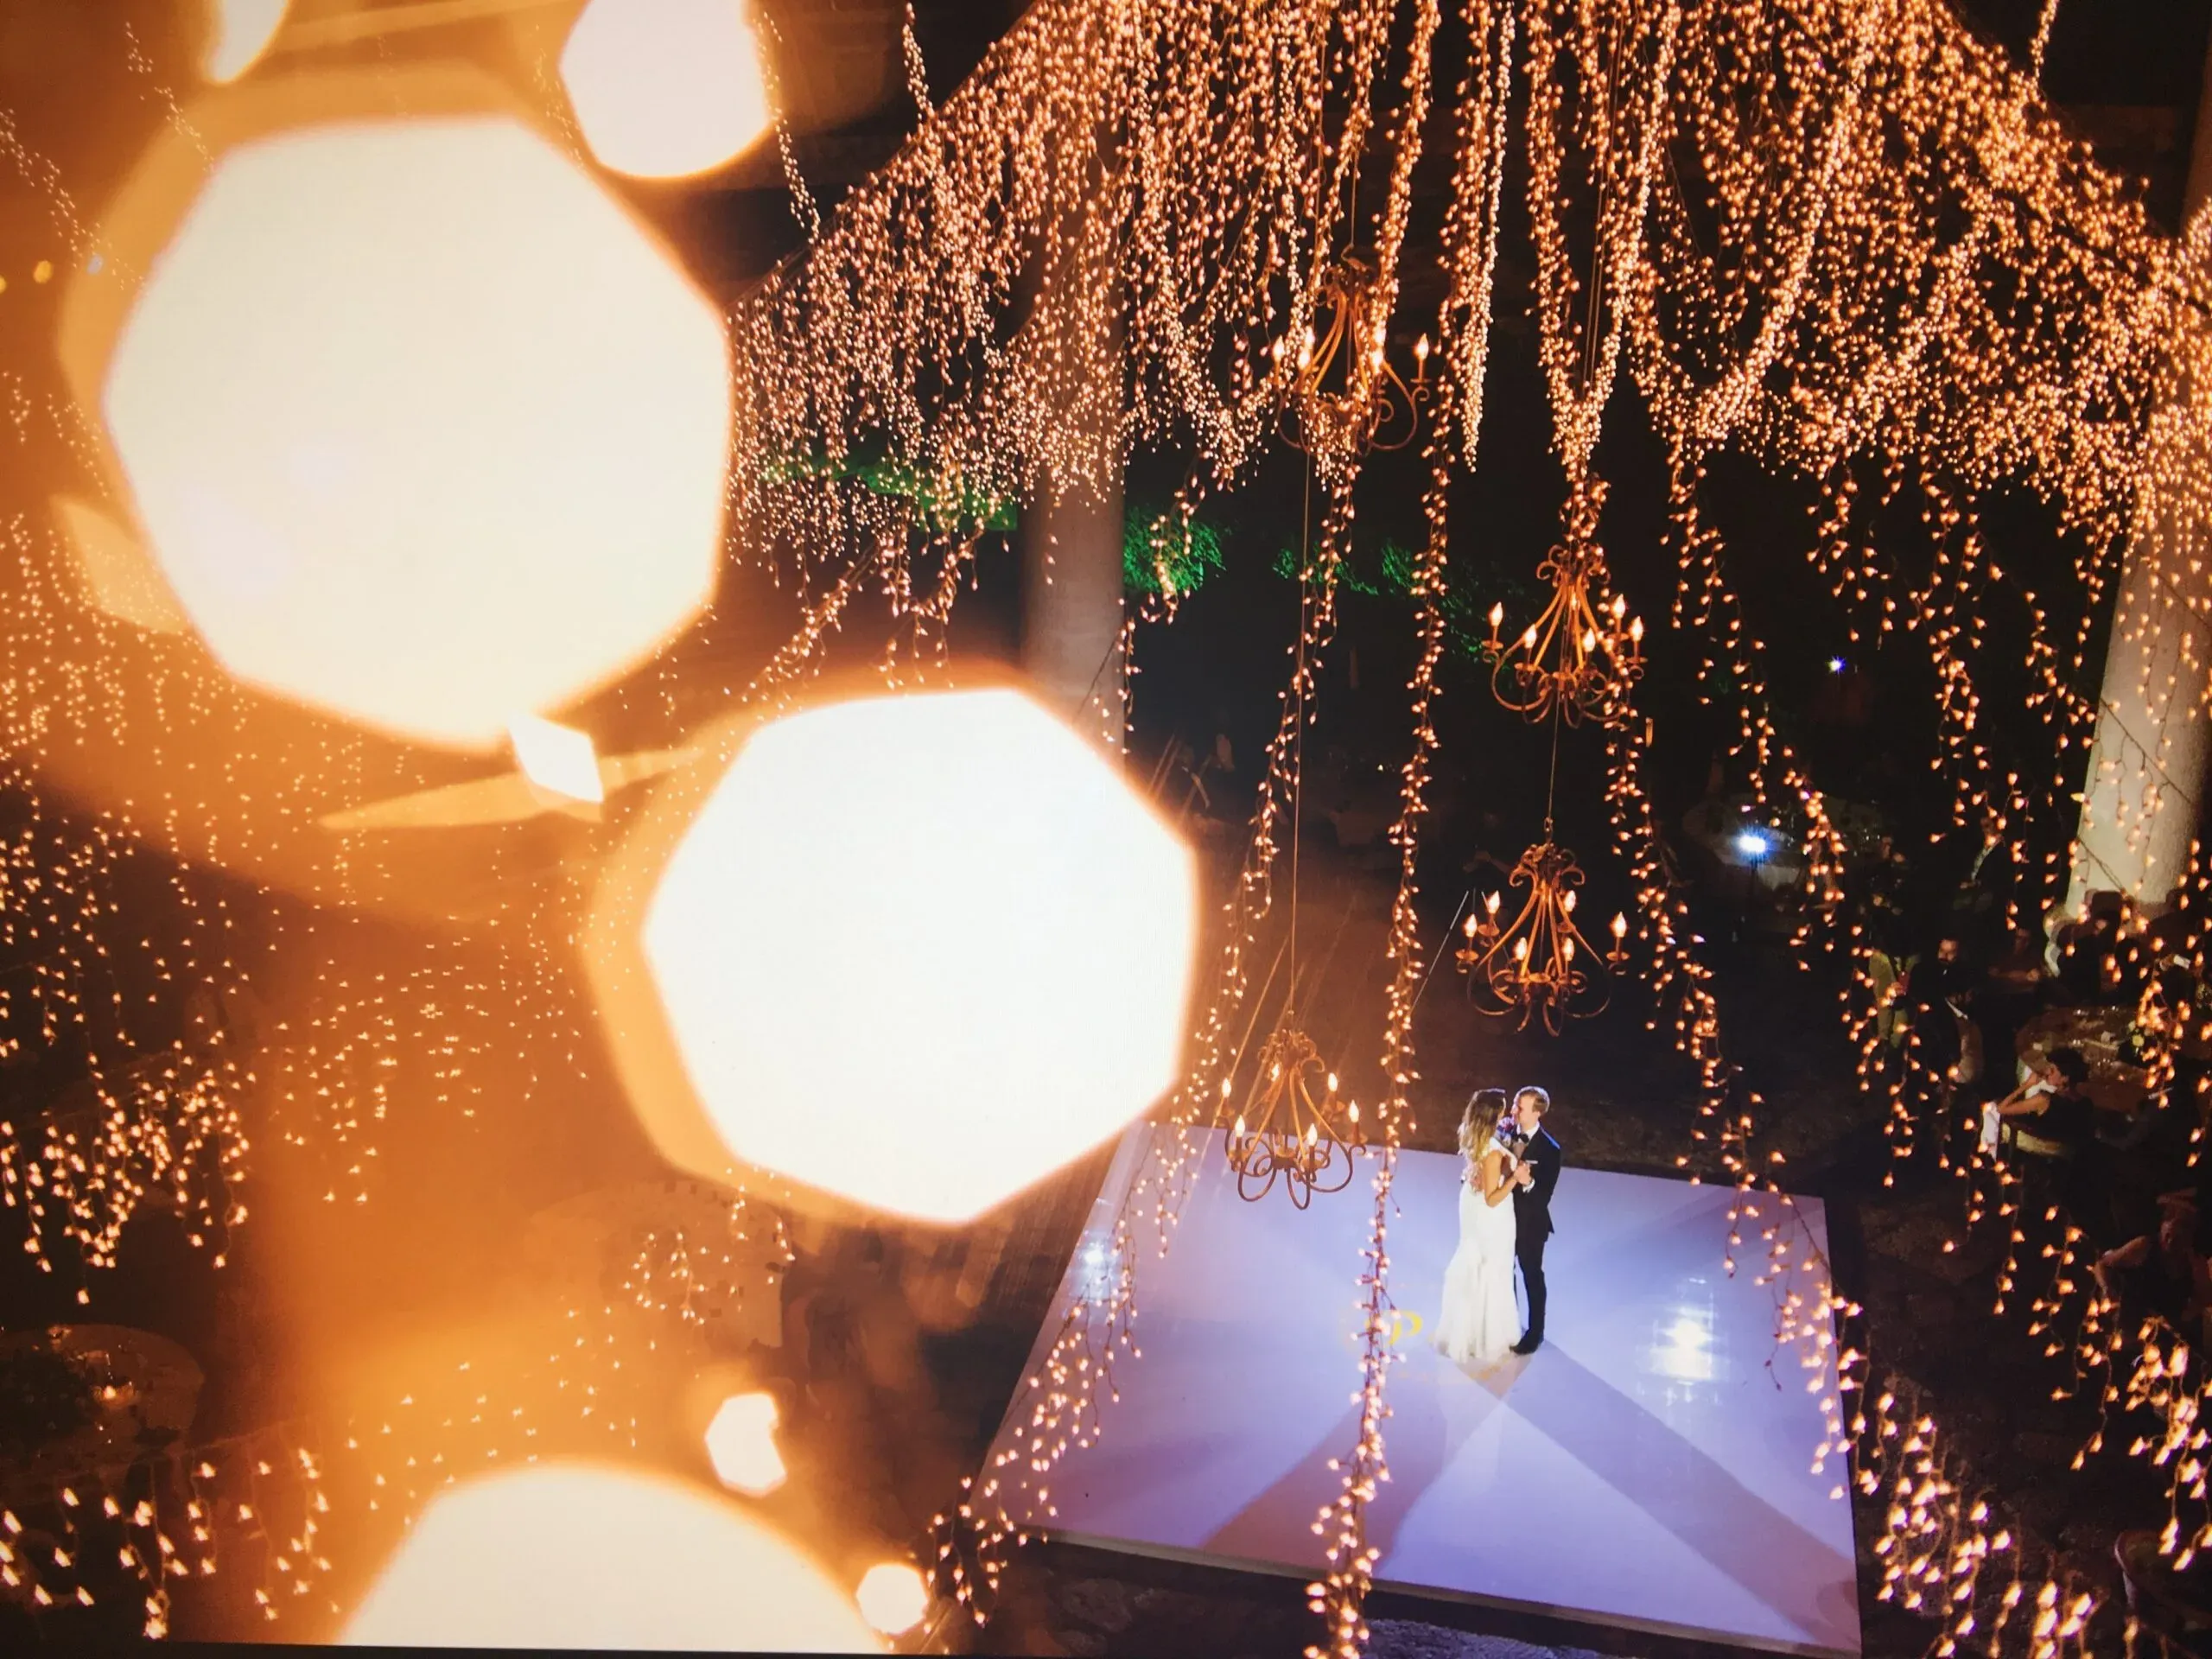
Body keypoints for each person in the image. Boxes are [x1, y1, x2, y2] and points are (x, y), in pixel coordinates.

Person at [1433, 1090, 1523, 1369]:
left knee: (1475, 1258)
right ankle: (1486, 1336)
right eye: (1503, 1111)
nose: (1507, 1115)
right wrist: (1516, 1179)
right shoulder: (1493, 1153)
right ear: (1493, 1116)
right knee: (1491, 1266)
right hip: (1489, 1215)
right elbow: (1492, 1198)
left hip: (1469, 1204)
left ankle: (1468, 1328)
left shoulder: (1474, 1136)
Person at [1504, 1086, 1561, 1355]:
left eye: (1520, 1107)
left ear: (1537, 1112)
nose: (1513, 1111)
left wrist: (1527, 1183)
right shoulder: (1505, 1134)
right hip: (1502, 1220)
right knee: (1504, 1273)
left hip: (1530, 1224)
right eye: (1515, 1105)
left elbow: (1543, 1196)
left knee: (1531, 1276)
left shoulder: (1550, 1150)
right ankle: (1508, 1324)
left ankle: (1535, 1332)